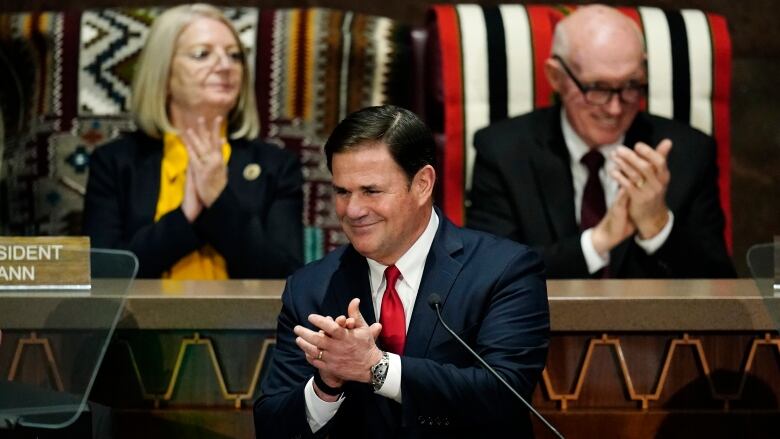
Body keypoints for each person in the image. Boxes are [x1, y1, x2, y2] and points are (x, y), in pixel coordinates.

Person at [253, 105, 549, 438]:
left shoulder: (504, 270)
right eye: (342, 192)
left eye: (371, 191)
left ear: (422, 184)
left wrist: (376, 369)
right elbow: (271, 426)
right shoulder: (310, 287)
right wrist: (326, 384)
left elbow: (505, 395)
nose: (353, 210)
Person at [467, 5, 735, 279]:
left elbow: (720, 287)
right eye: (597, 88)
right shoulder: (503, 151)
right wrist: (597, 243)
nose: (615, 109)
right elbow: (487, 276)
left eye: (631, 86)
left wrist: (658, 226)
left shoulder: (687, 153)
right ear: (556, 77)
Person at [83, 4, 303, 279]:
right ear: (163, 73)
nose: (225, 66)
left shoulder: (277, 165)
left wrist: (219, 202)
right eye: (202, 54)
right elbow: (104, 274)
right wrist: (186, 215)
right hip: (140, 322)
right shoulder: (114, 162)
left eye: (234, 56)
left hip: (243, 322)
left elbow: (287, 276)